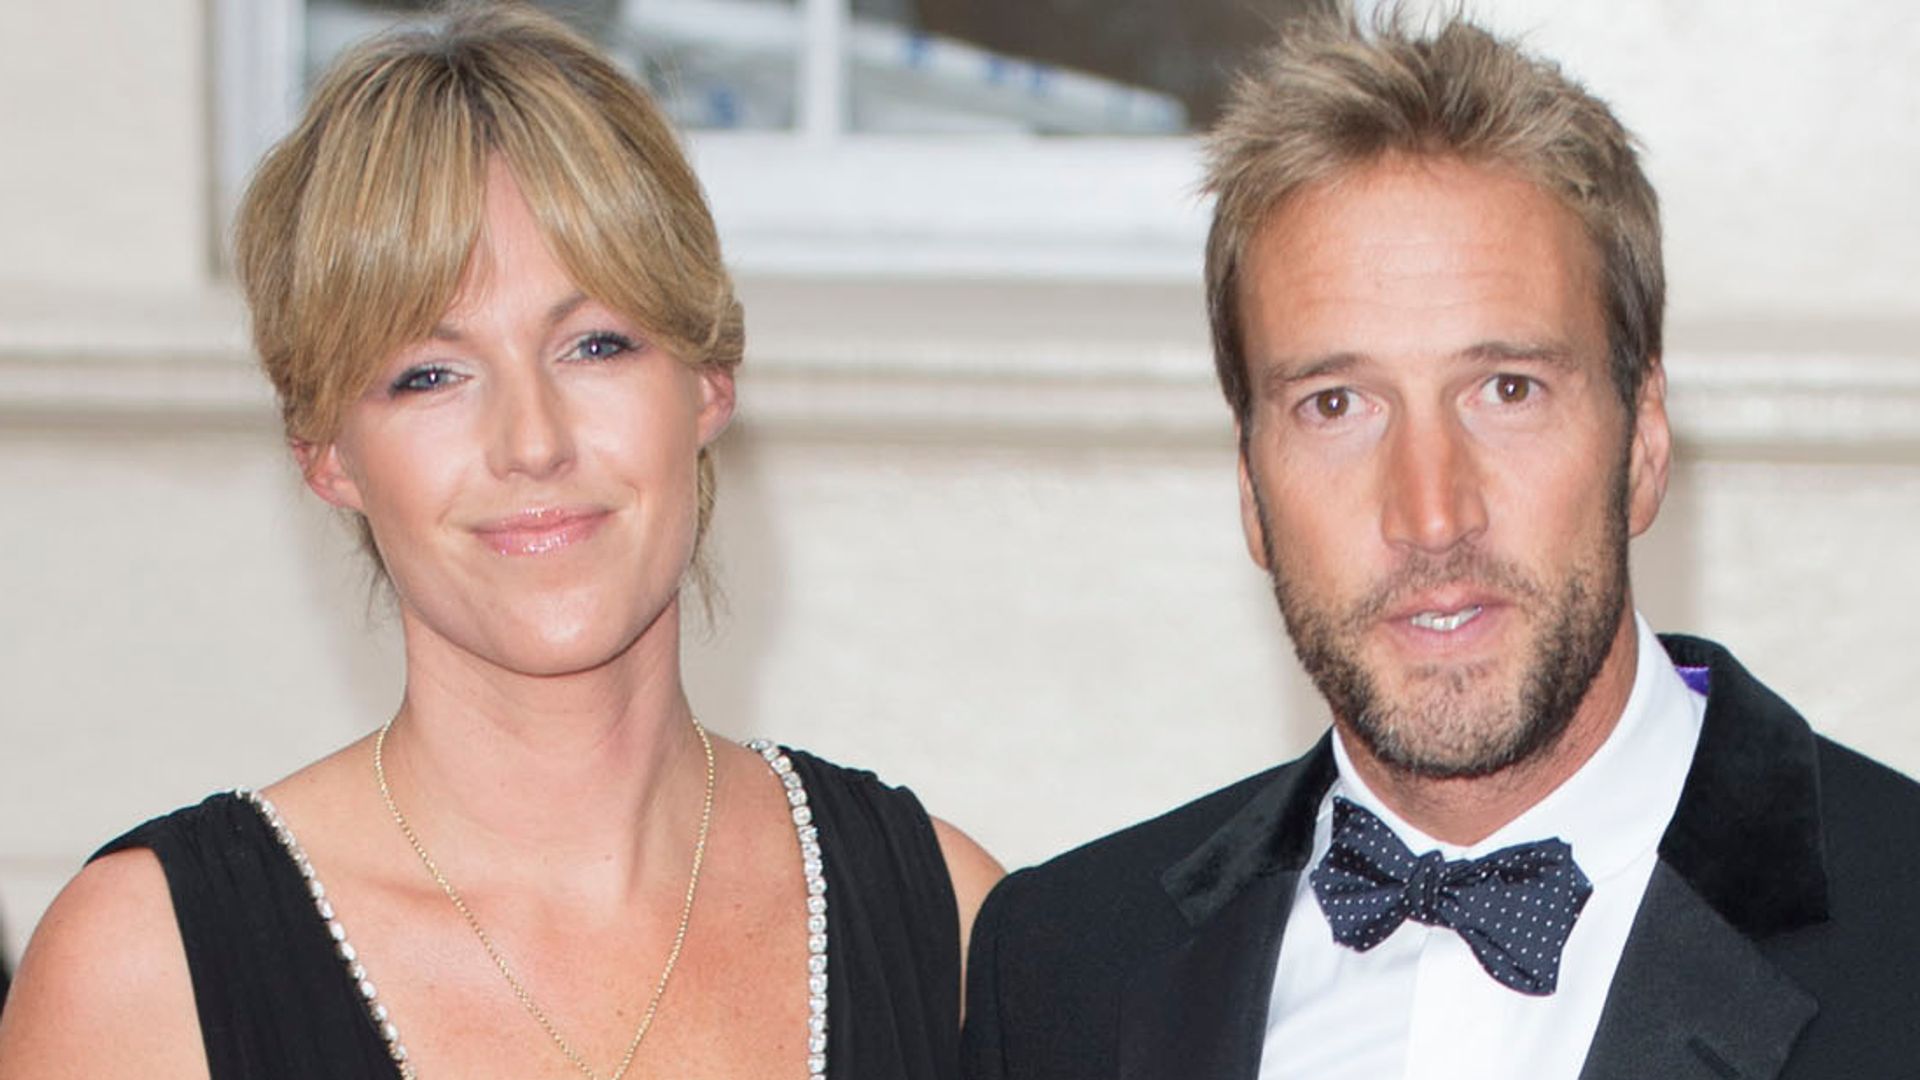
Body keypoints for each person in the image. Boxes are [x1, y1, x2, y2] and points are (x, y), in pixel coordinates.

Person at [0, 5, 1000, 1078]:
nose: (532, 441)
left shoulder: (950, 924)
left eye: (596, 344)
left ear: (709, 383)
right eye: (429, 374)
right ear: (327, 452)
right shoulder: (146, 976)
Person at [961, 8, 1920, 1080]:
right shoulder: (1056, 969)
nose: (1430, 513)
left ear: (1644, 439)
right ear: (1249, 482)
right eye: (1335, 405)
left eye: (1507, 389)